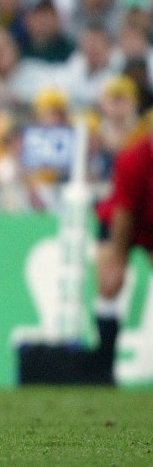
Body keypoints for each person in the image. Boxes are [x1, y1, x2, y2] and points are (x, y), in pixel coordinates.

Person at [92, 112, 153, 385]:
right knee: (110, 283)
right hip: (120, 220)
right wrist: (118, 258)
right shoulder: (132, 161)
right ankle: (104, 364)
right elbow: (124, 212)